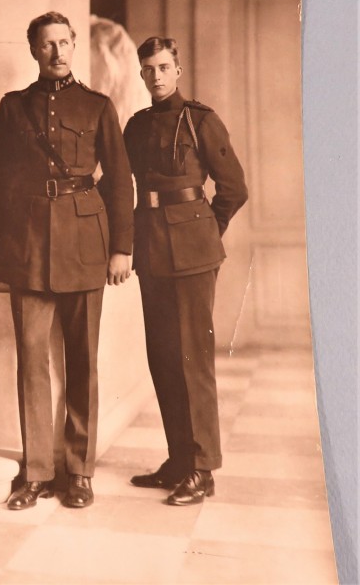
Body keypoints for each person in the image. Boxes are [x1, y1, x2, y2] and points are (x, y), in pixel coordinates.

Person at [0, 11, 134, 510]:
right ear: (33, 51)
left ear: (74, 46)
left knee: (82, 360)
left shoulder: (97, 106)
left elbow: (119, 181)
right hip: (27, 246)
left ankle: (79, 471)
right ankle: (37, 472)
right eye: (47, 44)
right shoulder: (13, 108)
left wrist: (121, 248)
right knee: (31, 361)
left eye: (65, 43)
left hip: (86, 243)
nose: (58, 52)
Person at [123, 36, 248, 506]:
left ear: (178, 69)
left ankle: (203, 468)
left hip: (194, 253)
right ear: (141, 75)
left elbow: (233, 187)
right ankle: (178, 459)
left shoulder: (201, 120)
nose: (156, 75)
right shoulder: (135, 127)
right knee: (163, 357)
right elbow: (123, 184)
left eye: (163, 66)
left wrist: (203, 231)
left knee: (193, 357)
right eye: (148, 68)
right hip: (151, 251)